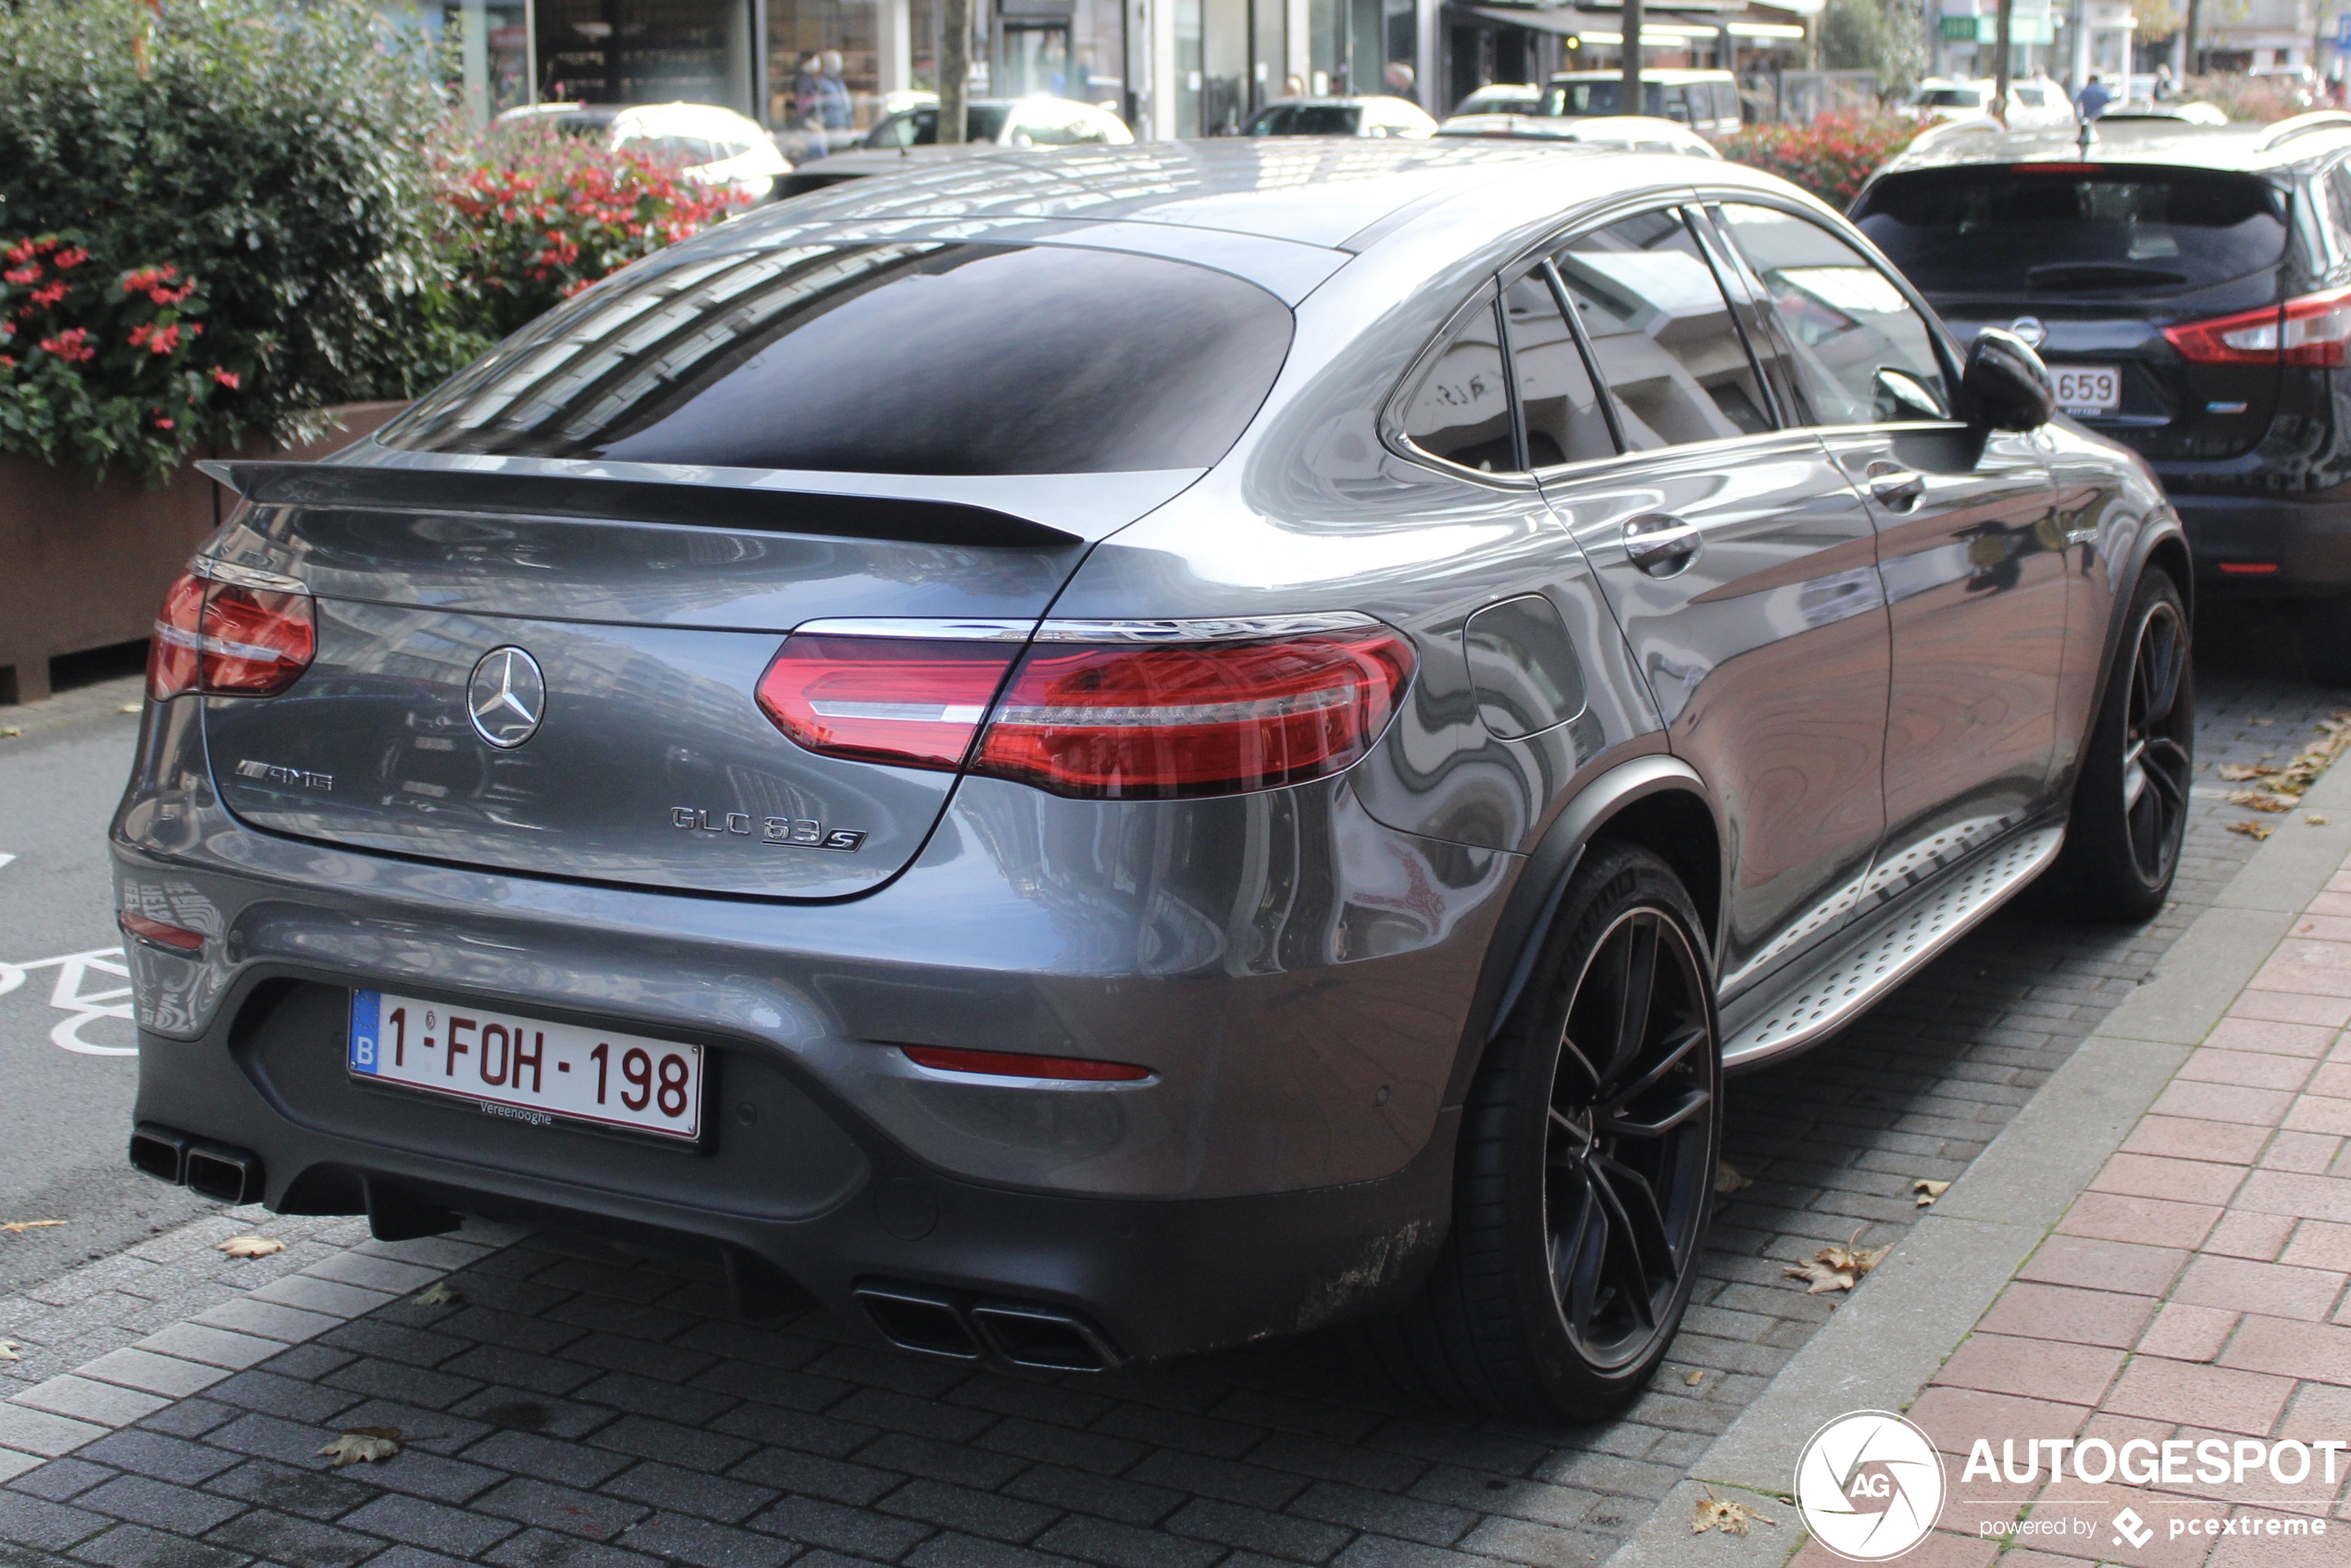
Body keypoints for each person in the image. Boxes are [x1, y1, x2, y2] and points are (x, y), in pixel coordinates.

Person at [816, 50, 853, 131]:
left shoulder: (839, 82)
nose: (838, 64)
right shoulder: (822, 83)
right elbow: (818, 107)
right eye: (834, 61)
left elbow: (846, 104)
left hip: (844, 125)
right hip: (831, 127)